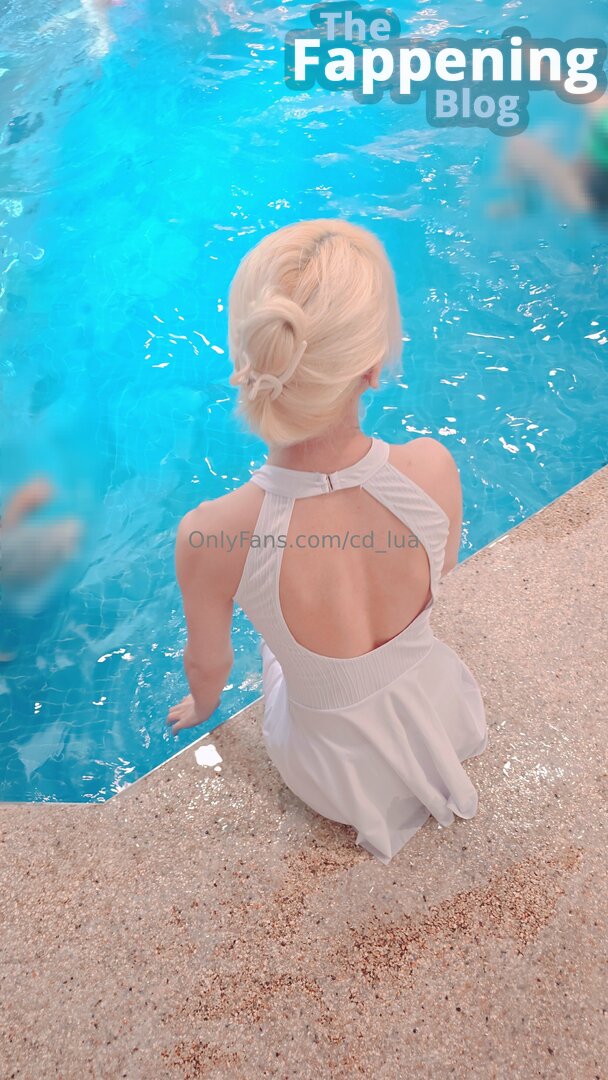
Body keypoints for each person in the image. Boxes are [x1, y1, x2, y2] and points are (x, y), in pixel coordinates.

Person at [167, 220, 488, 865]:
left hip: (334, 776)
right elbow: (441, 570)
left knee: (274, 642)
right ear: (371, 367)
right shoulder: (432, 468)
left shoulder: (213, 533)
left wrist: (202, 705)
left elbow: (211, 666)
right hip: (444, 717)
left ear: (250, 360)